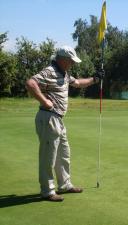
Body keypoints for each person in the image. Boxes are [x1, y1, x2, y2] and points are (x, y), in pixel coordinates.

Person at [26, 46, 101, 201]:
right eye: (71, 61)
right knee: (49, 157)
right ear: (62, 59)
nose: (72, 64)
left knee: (64, 154)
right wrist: (44, 100)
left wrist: (95, 79)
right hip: (48, 118)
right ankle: (47, 191)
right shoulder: (50, 71)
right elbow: (30, 83)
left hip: (57, 119)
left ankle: (65, 184)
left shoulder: (64, 73)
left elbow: (78, 83)